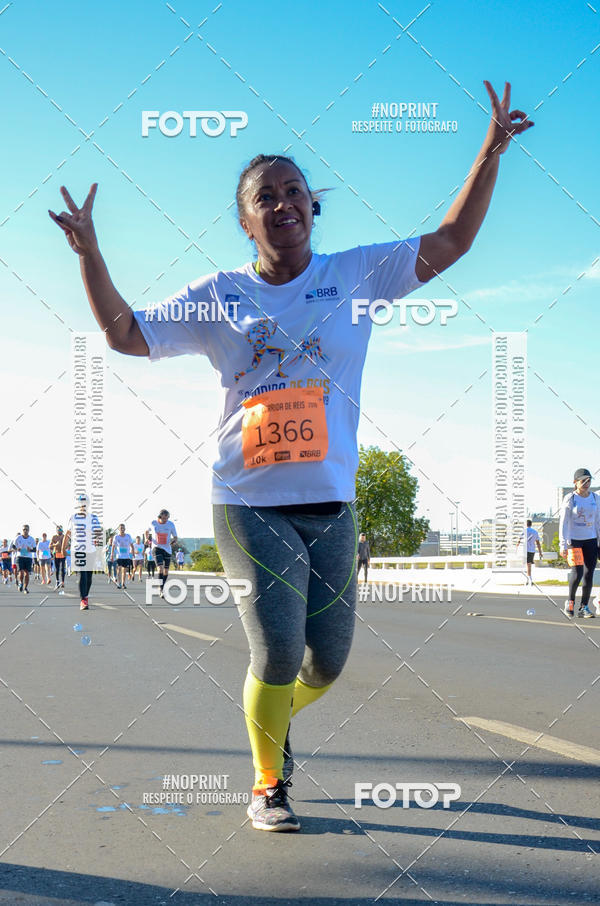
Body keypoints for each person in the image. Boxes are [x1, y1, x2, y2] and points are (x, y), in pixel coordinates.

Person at [49, 80, 532, 831]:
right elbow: (125, 333)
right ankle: (268, 780)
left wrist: (489, 152)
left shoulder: (357, 275)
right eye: (265, 196)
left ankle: (269, 724)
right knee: (276, 654)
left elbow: (451, 242)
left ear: (313, 206)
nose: (283, 203)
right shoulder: (221, 295)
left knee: (326, 664)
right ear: (245, 222)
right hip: (247, 503)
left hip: (332, 503)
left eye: (294, 191)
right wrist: (91, 256)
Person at [559, 469, 598, 618]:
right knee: (578, 573)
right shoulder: (570, 498)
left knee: (589, 574)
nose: (587, 483)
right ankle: (570, 602)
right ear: (575, 482)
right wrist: (563, 544)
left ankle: (584, 607)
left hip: (591, 540)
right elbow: (563, 522)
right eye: (583, 481)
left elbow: (598, 521)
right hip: (574, 540)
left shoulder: (595, 498)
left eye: (589, 480)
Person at [65, 494, 103, 610]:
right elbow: (68, 534)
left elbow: (98, 533)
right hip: (77, 549)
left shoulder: (93, 518)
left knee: (89, 576)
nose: (83, 506)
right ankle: (83, 599)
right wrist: (63, 548)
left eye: (85, 504)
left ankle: (85, 596)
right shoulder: (73, 518)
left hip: (90, 550)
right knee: (83, 573)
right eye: (81, 505)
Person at [148, 510, 177, 597]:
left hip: (167, 548)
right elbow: (147, 532)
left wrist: (174, 541)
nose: (165, 520)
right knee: (160, 569)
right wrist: (148, 538)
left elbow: (175, 537)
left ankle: (162, 586)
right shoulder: (153, 523)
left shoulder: (170, 524)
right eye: (163, 518)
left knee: (166, 571)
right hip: (156, 548)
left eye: (167, 518)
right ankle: (161, 589)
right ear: (159, 517)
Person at [516, 519, 542, 586]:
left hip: (524, 550)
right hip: (532, 550)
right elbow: (538, 543)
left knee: (526, 565)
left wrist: (516, 550)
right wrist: (540, 552)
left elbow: (518, 542)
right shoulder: (535, 532)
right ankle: (528, 579)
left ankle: (529, 579)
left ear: (526, 524)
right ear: (531, 524)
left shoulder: (523, 531)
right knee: (529, 564)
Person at [12, 525, 36, 593]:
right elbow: (13, 546)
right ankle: (20, 583)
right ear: (22, 530)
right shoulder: (18, 538)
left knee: (27, 574)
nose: (25, 531)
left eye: (26, 529)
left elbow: (34, 549)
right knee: (21, 573)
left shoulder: (31, 539)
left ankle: (25, 588)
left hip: (28, 557)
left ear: (29, 530)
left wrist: (30, 550)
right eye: (24, 529)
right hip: (20, 557)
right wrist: (17, 549)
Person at [111, 524, 134, 589]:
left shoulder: (128, 536)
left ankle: (123, 583)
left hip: (126, 556)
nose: (122, 529)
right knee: (119, 569)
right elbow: (113, 546)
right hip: (119, 556)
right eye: (121, 528)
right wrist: (112, 555)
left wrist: (133, 552)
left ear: (125, 529)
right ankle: (119, 583)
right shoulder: (116, 537)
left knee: (124, 570)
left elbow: (132, 545)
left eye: (123, 528)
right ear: (119, 529)